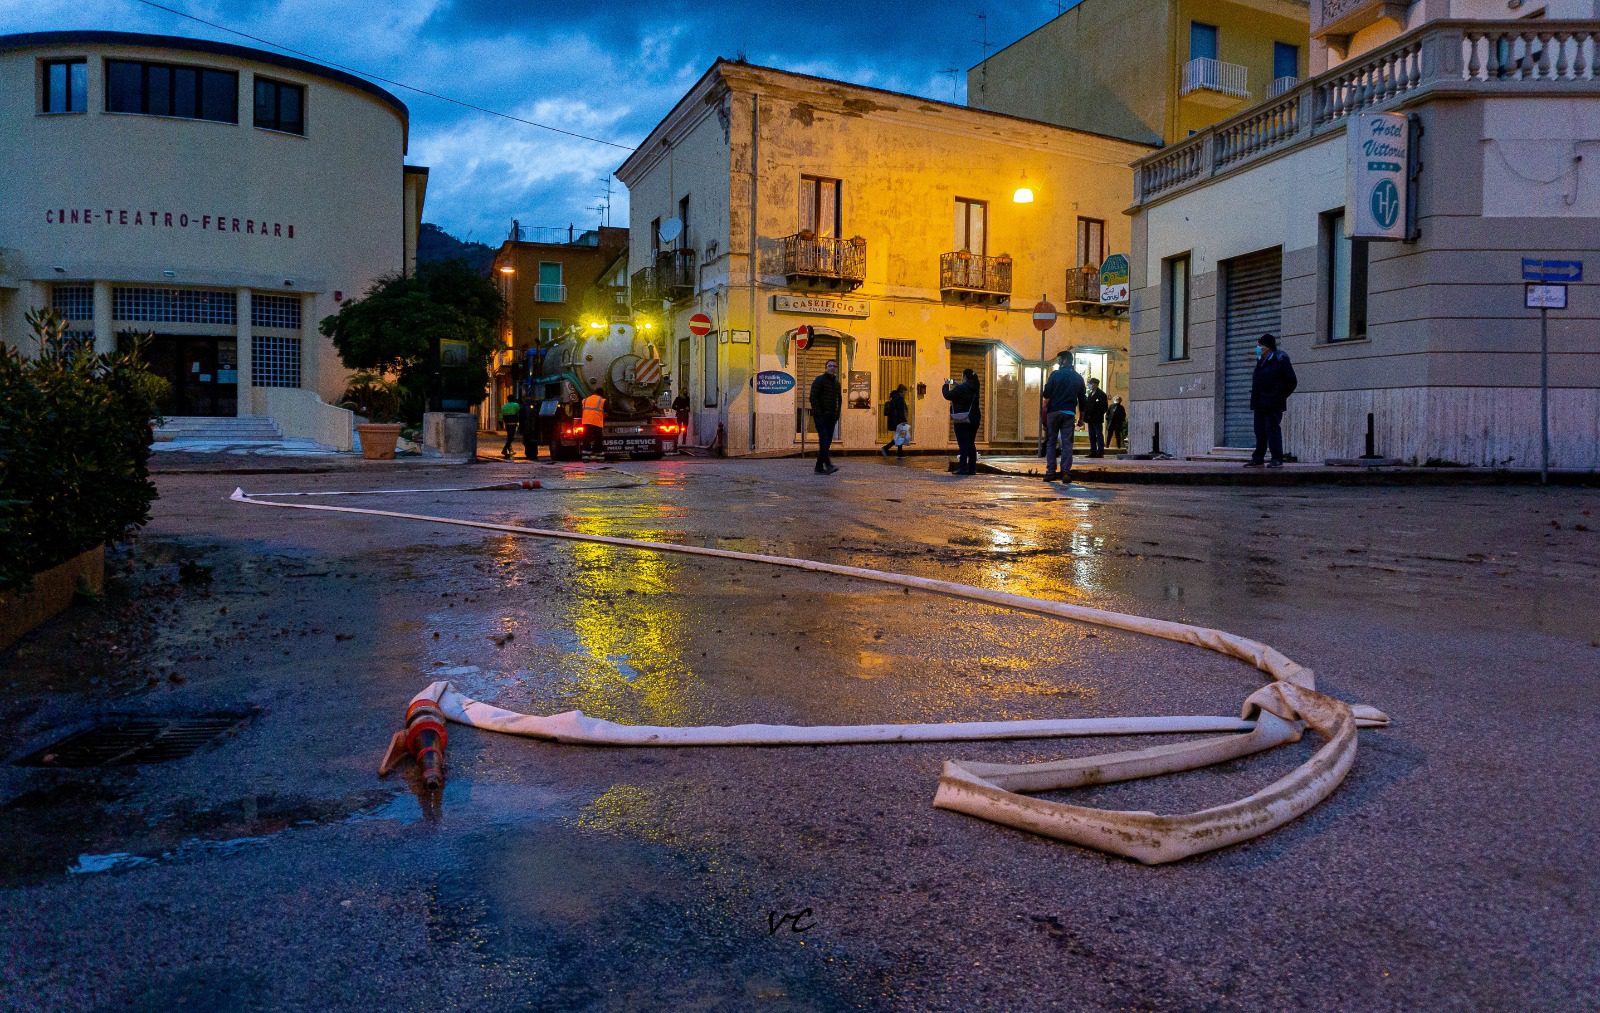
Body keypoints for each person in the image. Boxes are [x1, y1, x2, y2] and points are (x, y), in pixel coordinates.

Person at [1246, 332, 1297, 468]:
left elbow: (1292, 381)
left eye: (1259, 346)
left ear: (1267, 347)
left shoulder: (1280, 359)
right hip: (1259, 403)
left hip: (1273, 403)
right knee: (1259, 431)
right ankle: (1258, 458)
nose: (1257, 348)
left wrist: (1279, 396)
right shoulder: (1260, 361)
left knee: (1272, 430)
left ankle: (1276, 459)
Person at [1040, 350, 1087, 481]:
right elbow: (1083, 400)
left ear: (1065, 360)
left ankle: (1050, 472)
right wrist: (1081, 419)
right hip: (1069, 413)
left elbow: (1046, 393)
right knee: (1067, 444)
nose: (1058, 361)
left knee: (1051, 442)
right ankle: (1065, 472)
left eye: (1059, 359)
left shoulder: (1055, 374)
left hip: (1053, 413)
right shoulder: (1078, 378)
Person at [942, 368, 982, 476]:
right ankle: (972, 468)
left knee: (963, 444)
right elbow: (964, 392)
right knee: (970, 443)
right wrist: (957, 385)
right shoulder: (975, 387)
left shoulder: (961, 388)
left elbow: (948, 395)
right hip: (975, 419)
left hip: (963, 419)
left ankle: (963, 468)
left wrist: (946, 384)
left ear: (964, 376)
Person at [809, 359, 842, 475]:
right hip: (821, 417)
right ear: (826, 367)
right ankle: (828, 464)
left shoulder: (837, 383)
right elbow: (813, 398)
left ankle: (818, 467)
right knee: (824, 440)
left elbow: (839, 400)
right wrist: (819, 413)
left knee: (826, 442)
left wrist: (837, 414)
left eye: (834, 366)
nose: (832, 368)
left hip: (832, 418)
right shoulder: (819, 380)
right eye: (830, 366)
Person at [880, 385, 909, 458]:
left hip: (894, 421)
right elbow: (900, 411)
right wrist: (904, 420)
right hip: (899, 421)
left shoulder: (894, 398)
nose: (905, 394)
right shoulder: (900, 399)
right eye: (904, 392)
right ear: (901, 392)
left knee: (900, 437)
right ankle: (886, 448)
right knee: (900, 437)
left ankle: (899, 453)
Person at [1082, 377, 1109, 458]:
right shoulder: (1090, 394)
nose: (1089, 385)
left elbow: (1104, 407)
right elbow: (1087, 406)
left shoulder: (1101, 394)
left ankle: (1100, 452)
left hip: (1097, 419)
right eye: (1089, 383)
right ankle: (1093, 451)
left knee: (1098, 435)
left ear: (1095, 384)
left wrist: (1097, 415)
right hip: (1090, 419)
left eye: (1091, 383)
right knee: (1092, 436)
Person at [581, 389, 606, 459]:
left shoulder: (585, 400)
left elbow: (582, 409)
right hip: (597, 422)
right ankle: (599, 456)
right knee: (598, 439)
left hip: (586, 422)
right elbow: (607, 410)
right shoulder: (602, 400)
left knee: (586, 439)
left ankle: (585, 456)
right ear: (601, 394)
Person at [518, 391, 539, 460]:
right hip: (531, 427)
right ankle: (533, 454)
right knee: (532, 442)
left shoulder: (524, 406)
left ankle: (530, 454)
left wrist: (521, 428)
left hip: (528, 427)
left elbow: (521, 417)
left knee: (528, 441)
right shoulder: (533, 406)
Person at [499, 393, 520, 459]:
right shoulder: (516, 405)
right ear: (513, 399)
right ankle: (504, 450)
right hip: (514, 423)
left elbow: (500, 416)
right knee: (511, 437)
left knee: (509, 437)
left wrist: (501, 424)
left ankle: (509, 450)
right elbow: (519, 412)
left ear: (507, 399)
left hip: (507, 424)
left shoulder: (503, 406)